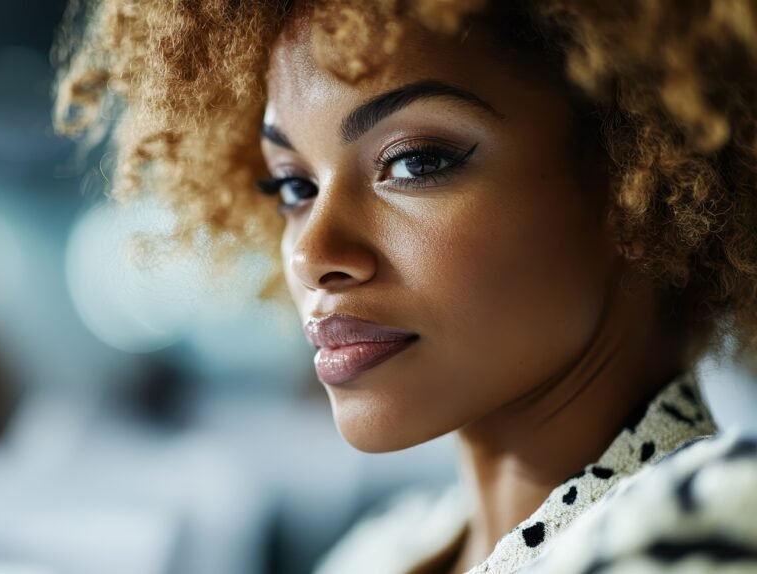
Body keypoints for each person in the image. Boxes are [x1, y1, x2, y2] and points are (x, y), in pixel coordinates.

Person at [54, 1, 757, 572]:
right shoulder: (382, 551)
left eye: (416, 162)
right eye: (294, 185)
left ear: (641, 178)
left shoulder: (710, 528)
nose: (311, 253)